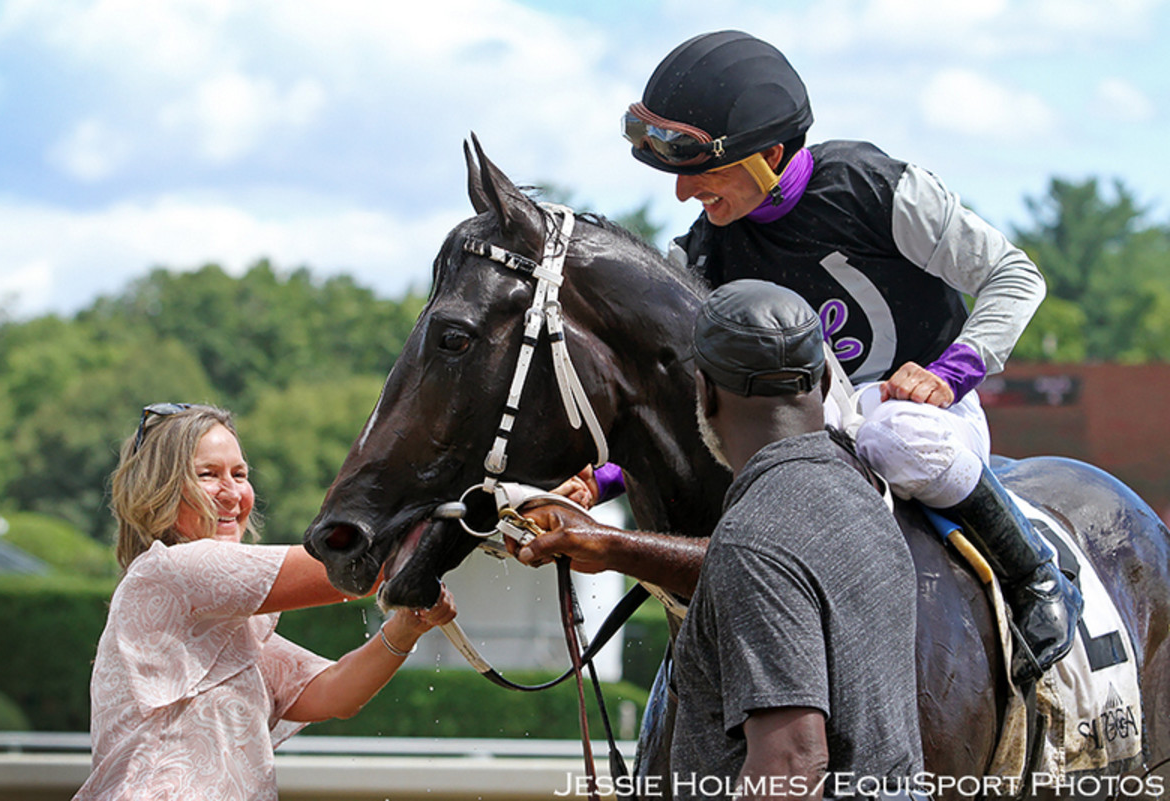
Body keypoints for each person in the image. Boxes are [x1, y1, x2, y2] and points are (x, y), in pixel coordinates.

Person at [563, 29, 1078, 681]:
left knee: (893, 433)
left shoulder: (876, 188)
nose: (683, 193)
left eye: (702, 170)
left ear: (770, 152)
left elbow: (1014, 275)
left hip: (921, 419)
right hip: (804, 443)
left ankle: (1033, 573)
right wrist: (606, 478)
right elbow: (685, 405)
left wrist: (949, 375)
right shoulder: (701, 255)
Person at [74, 403, 456, 800]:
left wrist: (406, 628)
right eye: (208, 475)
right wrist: (462, 511)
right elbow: (349, 569)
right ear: (160, 490)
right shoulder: (175, 571)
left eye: (239, 475)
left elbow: (335, 692)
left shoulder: (223, 618)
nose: (232, 493)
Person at [681, 280, 924, 798]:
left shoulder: (753, 540)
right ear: (826, 376)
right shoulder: (864, 497)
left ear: (703, 391)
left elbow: (791, 764)